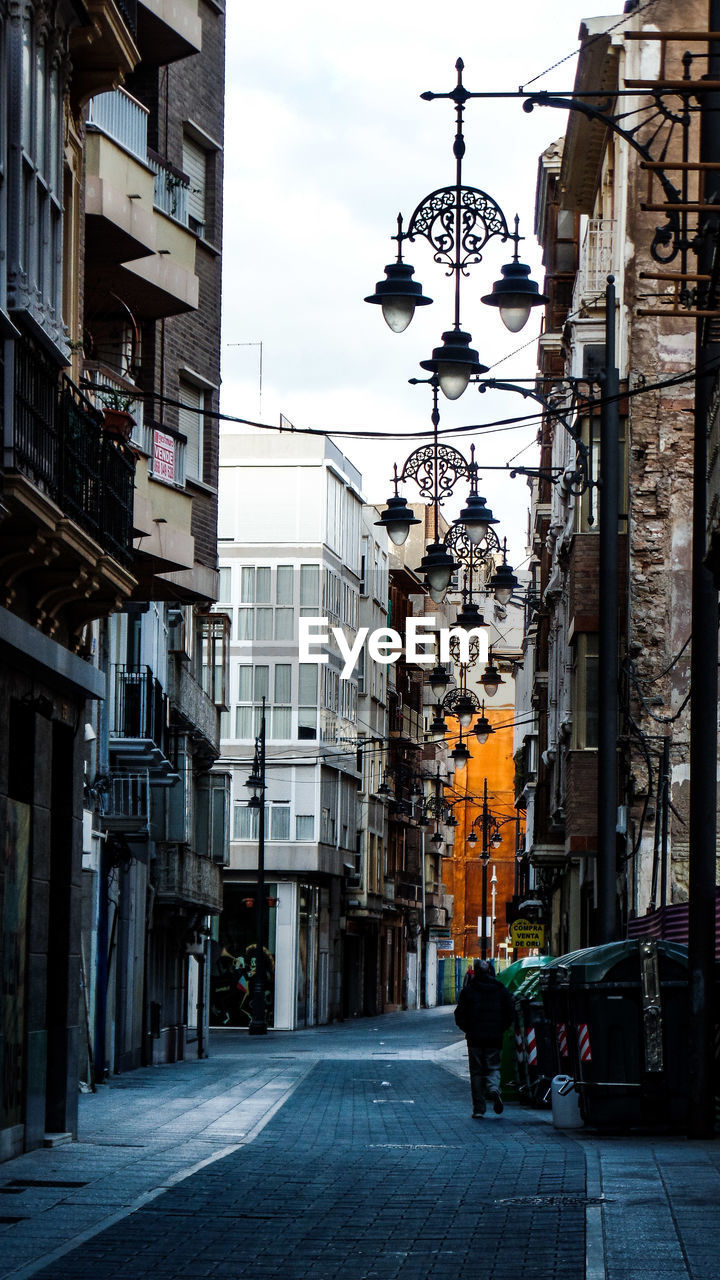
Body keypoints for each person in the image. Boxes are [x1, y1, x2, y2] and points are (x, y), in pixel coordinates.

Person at [454, 958, 515, 1118]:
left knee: (476, 1072)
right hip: (494, 1037)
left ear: (475, 972)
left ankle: (479, 1109)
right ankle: (494, 1087)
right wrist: (501, 1029)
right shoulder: (500, 989)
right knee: (493, 1067)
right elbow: (510, 1011)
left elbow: (459, 1014)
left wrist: (467, 1029)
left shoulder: (468, 990)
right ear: (490, 971)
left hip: (474, 1038)